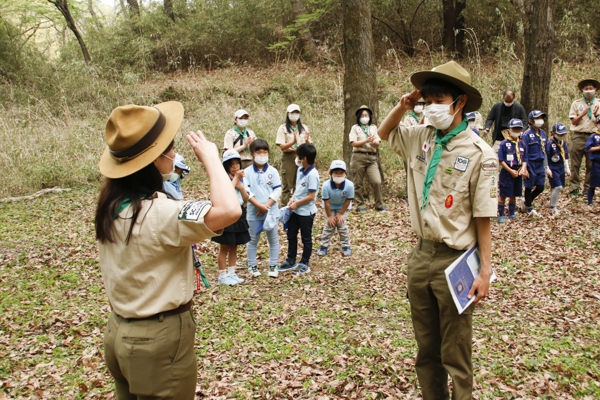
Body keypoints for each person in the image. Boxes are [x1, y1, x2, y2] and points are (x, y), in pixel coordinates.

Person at [95, 102, 241, 399]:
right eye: (170, 147)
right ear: (155, 158)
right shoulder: (160, 213)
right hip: (157, 342)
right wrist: (213, 160)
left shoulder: (111, 205)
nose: (174, 153)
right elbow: (228, 210)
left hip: (118, 332)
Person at [378, 61, 497, 400]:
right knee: (426, 347)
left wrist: (485, 271)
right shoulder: (421, 136)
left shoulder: (479, 154)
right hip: (421, 256)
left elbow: (484, 216)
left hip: (456, 259)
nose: (430, 106)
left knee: (456, 350)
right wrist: (403, 106)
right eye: (426, 99)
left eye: (438, 98)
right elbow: (385, 134)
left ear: (459, 103)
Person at [211, 150, 251, 285]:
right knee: (225, 246)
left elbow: (246, 198)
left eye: (237, 163)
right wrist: (235, 179)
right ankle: (222, 275)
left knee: (235, 245)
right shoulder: (223, 178)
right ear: (226, 166)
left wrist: (241, 187)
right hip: (227, 213)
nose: (235, 167)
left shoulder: (243, 179)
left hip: (239, 212)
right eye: (231, 164)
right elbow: (226, 192)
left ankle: (232, 272)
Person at [279, 143, 319, 275]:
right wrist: (293, 198)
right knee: (291, 234)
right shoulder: (300, 170)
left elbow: (311, 196)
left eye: (298, 156)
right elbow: (298, 188)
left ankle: (304, 262)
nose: (296, 159)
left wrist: (297, 203)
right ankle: (291, 260)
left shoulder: (313, 174)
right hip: (295, 210)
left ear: (305, 158)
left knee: (305, 237)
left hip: (306, 212)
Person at [245, 139, 282, 278]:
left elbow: (277, 190)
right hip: (254, 212)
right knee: (253, 239)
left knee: (273, 239)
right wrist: (259, 206)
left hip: (271, 212)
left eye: (265, 152)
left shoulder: (273, 171)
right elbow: (247, 191)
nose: (262, 155)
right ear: (252, 153)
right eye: (258, 152)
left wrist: (266, 206)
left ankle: (273, 265)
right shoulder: (247, 172)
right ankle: (252, 266)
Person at [349, 105, 387, 212]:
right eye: (362, 115)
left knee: (377, 181)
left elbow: (377, 142)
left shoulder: (373, 128)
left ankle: (379, 205)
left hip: (371, 158)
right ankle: (360, 206)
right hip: (358, 157)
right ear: (359, 117)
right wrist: (366, 140)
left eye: (366, 115)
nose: (365, 117)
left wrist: (372, 140)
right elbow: (354, 143)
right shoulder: (355, 128)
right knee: (358, 183)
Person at [569, 79, 600, 197]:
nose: (589, 91)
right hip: (579, 136)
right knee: (575, 163)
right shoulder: (576, 103)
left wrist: (595, 114)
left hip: (594, 137)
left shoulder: (599, 103)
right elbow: (574, 121)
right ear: (582, 90)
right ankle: (574, 188)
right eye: (586, 89)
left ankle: (588, 188)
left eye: (591, 88)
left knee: (591, 164)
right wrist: (582, 114)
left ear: (596, 89)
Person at [317, 160, 354, 257]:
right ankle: (323, 246)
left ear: (345, 173)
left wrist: (341, 214)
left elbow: (348, 200)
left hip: (343, 207)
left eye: (341, 173)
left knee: (342, 225)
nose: (338, 175)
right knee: (330, 225)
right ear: (330, 173)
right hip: (330, 207)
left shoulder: (349, 185)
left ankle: (346, 246)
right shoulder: (326, 185)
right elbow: (326, 202)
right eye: (336, 173)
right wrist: (329, 216)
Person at [276, 104, 311, 205]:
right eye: (292, 113)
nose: (294, 115)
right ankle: (284, 208)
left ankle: (297, 206)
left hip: (302, 157)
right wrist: (293, 141)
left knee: (299, 184)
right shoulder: (283, 128)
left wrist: (307, 140)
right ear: (288, 114)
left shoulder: (304, 128)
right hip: (289, 156)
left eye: (297, 113)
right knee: (287, 185)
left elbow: (309, 145)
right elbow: (282, 146)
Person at [497, 119, 527, 223]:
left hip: (518, 172)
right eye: (514, 129)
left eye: (518, 129)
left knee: (514, 194)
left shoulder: (522, 144)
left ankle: (512, 214)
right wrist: (510, 171)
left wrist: (523, 169)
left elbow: (525, 159)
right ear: (509, 130)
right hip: (507, 172)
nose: (516, 131)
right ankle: (501, 215)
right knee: (503, 194)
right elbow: (501, 160)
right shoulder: (504, 143)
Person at [521, 110, 548, 216]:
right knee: (529, 185)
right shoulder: (527, 134)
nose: (540, 120)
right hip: (530, 163)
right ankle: (529, 207)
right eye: (537, 118)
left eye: (541, 118)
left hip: (540, 163)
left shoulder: (543, 134)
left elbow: (544, 150)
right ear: (531, 121)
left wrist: (547, 166)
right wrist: (524, 167)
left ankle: (527, 201)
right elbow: (524, 151)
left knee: (541, 186)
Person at [546, 123, 571, 216]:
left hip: (561, 167)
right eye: (559, 134)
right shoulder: (549, 143)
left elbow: (566, 156)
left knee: (558, 187)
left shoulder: (563, 143)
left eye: (563, 134)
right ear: (553, 133)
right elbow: (545, 157)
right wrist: (547, 169)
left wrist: (567, 169)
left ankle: (553, 204)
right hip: (553, 168)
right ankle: (553, 207)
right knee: (558, 187)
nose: (561, 136)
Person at [584, 116, 600, 209]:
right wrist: (598, 148)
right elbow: (587, 148)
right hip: (596, 163)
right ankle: (590, 201)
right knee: (593, 183)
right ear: (596, 124)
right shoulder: (594, 136)